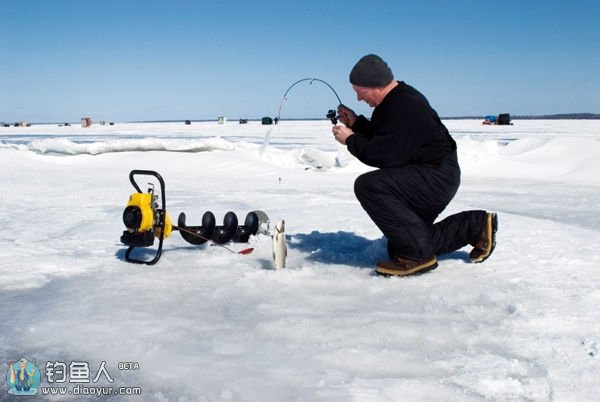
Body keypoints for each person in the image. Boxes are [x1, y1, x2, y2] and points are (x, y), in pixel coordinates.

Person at [332, 54, 498, 277]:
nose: (360, 99)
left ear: (376, 85)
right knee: (401, 243)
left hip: (435, 176)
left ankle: (417, 257)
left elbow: (383, 155)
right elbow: (390, 138)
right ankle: (474, 226)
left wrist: (350, 140)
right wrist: (357, 124)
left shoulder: (403, 105)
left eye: (360, 93)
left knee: (369, 185)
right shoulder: (396, 101)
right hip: (432, 174)